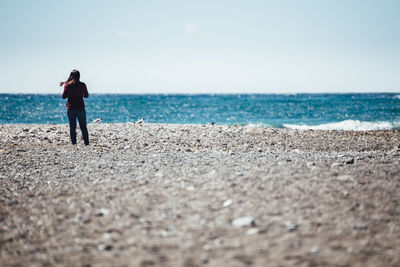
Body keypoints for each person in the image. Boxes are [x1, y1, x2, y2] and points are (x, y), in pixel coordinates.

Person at [60, 69, 89, 145]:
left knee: (72, 127)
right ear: (79, 76)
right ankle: (86, 143)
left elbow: (63, 96)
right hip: (80, 107)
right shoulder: (82, 85)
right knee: (83, 127)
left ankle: (74, 144)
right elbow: (86, 96)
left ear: (70, 76)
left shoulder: (68, 85)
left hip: (71, 108)